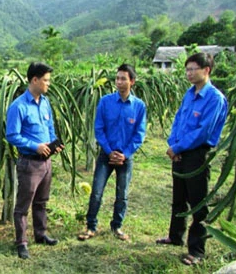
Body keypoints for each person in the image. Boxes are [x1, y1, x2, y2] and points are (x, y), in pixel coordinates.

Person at [156, 53, 227, 266]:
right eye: (187, 69)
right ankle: (175, 236)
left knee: (197, 202)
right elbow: (178, 119)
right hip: (179, 152)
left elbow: (203, 132)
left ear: (206, 70)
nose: (189, 73)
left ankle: (196, 250)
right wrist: (173, 143)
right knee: (178, 198)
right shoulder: (189, 94)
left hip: (197, 154)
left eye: (193, 69)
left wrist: (178, 146)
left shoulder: (215, 98)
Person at [78, 64, 146, 242]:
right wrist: (109, 152)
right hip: (105, 155)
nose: (119, 82)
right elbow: (99, 129)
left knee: (122, 194)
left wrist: (125, 153)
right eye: (117, 78)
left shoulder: (139, 106)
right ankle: (91, 226)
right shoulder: (105, 102)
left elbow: (139, 134)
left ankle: (117, 226)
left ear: (132, 81)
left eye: (123, 78)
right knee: (97, 192)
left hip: (126, 157)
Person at [6, 62, 63, 259]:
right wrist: (35, 146)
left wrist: (53, 144)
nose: (49, 83)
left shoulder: (45, 102)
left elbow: (50, 126)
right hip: (29, 162)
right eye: (46, 80)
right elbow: (12, 135)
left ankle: (40, 234)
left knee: (41, 201)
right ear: (34, 80)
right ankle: (21, 242)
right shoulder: (18, 106)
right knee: (23, 206)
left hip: (46, 161)